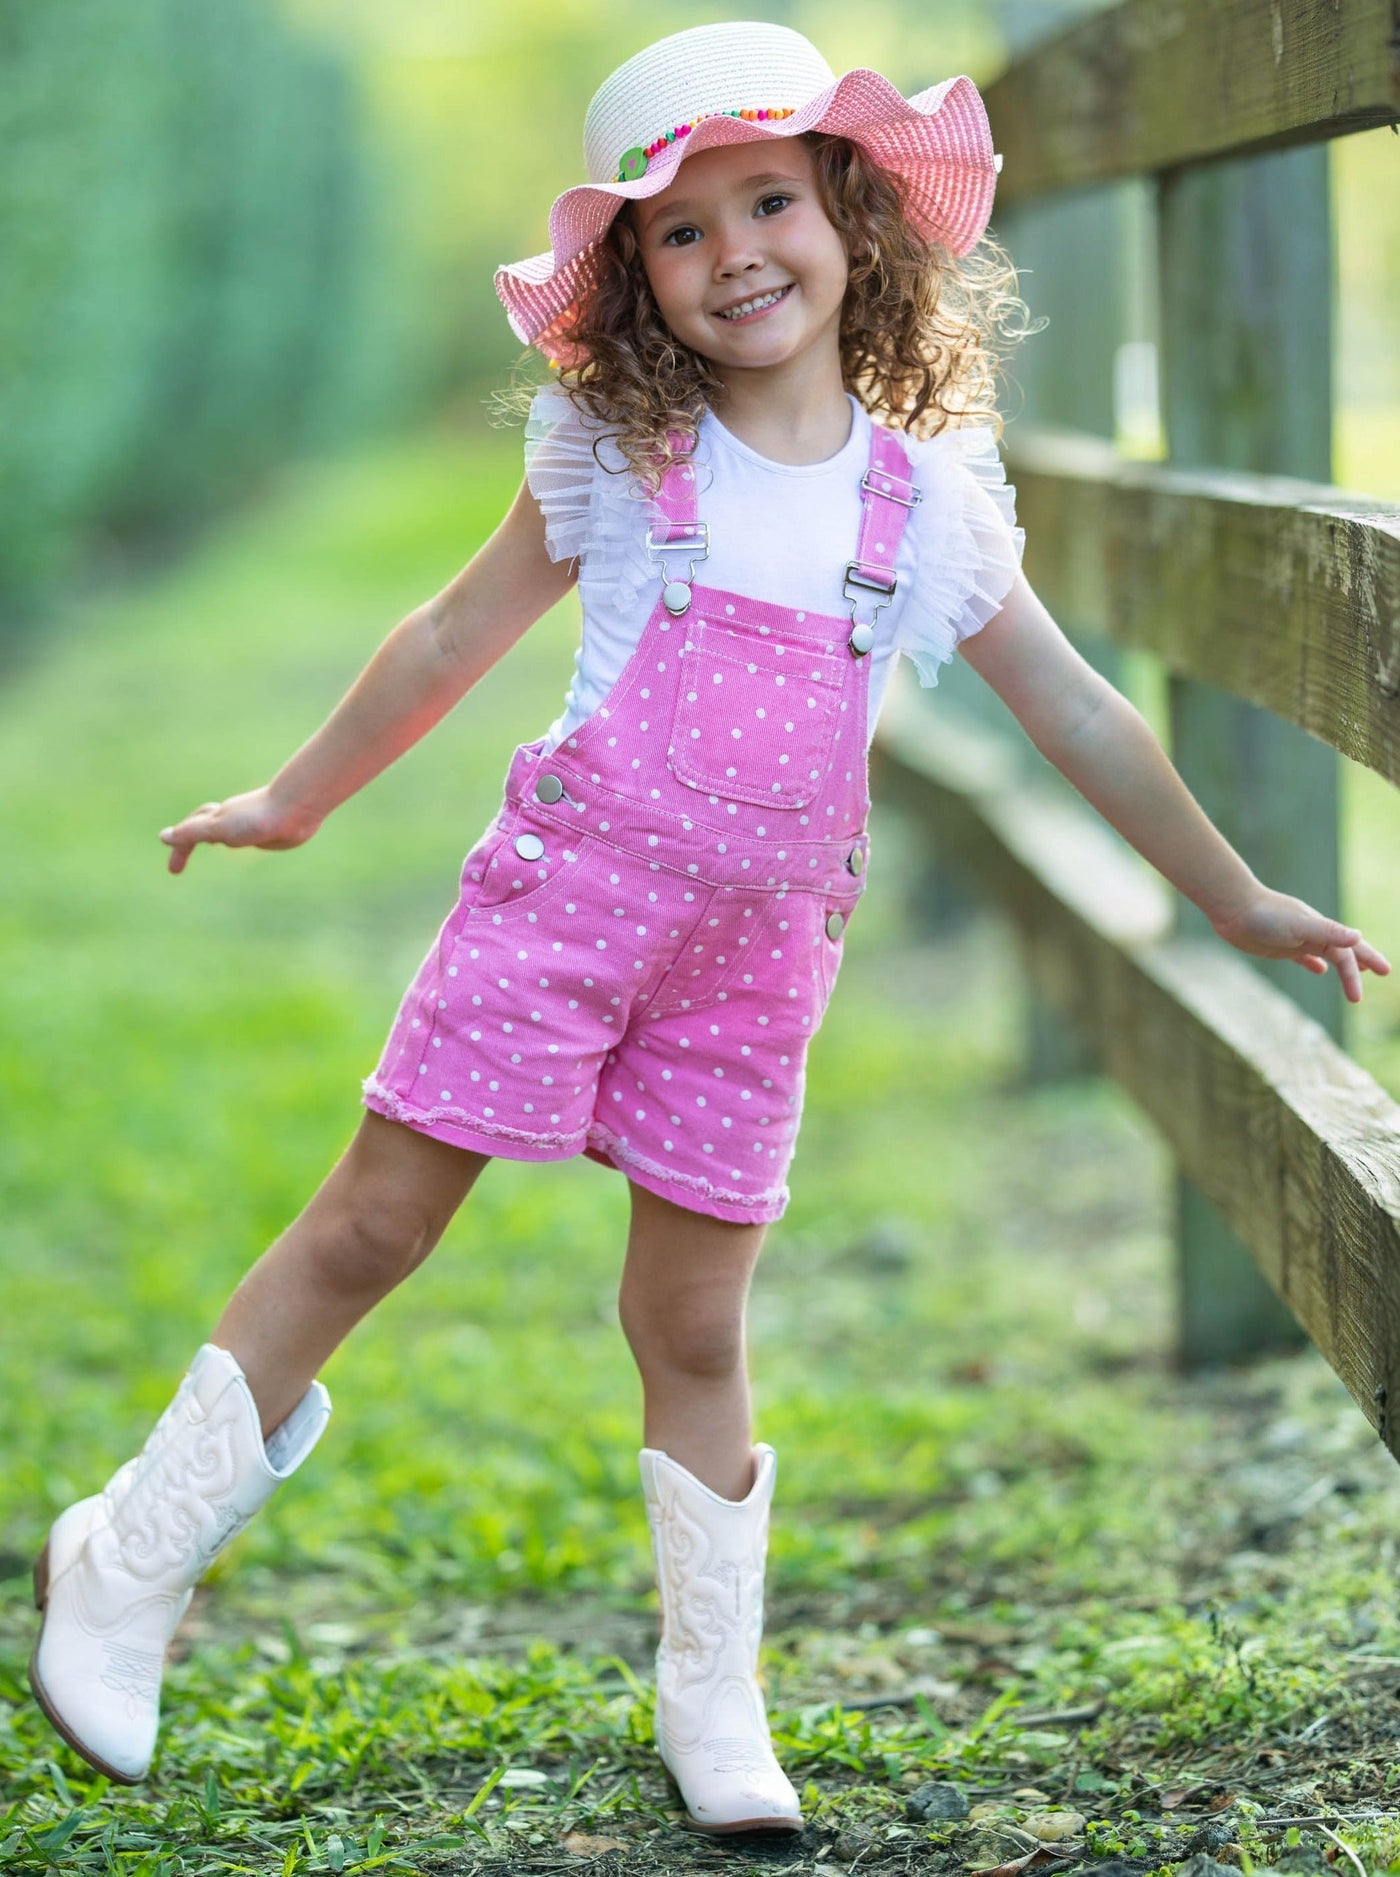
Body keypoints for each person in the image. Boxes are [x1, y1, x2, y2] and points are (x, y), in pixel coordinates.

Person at [28, 17, 1390, 1839]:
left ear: (851, 220)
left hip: (757, 955)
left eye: (770, 202)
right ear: (634, 277)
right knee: (374, 1219)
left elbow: (1079, 710)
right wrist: (297, 795)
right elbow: (445, 637)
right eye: (680, 228)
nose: (734, 250)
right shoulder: (612, 451)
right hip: (568, 904)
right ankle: (127, 1555)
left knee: (692, 1311)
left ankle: (711, 1688)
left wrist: (1229, 889)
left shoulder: (929, 505)